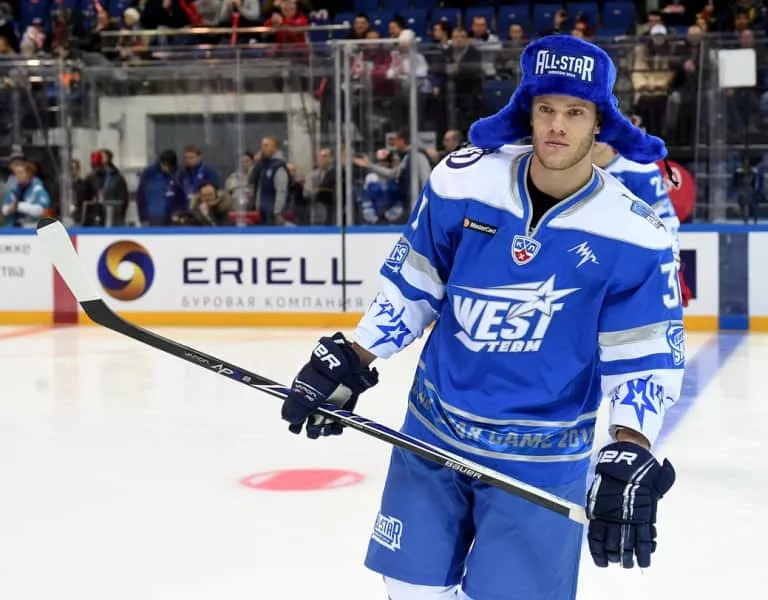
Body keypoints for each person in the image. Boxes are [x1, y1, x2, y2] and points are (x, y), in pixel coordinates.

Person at [281, 35, 684, 600]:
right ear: (527, 112)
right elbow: (415, 282)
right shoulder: (463, 181)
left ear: (599, 122)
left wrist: (631, 444)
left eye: (575, 112)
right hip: (434, 432)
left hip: (542, 456)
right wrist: (354, 355)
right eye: (546, 108)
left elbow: (643, 355)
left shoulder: (635, 232)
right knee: (410, 591)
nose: (557, 125)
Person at [592, 141, 692, 306]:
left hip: (632, 268)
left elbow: (664, 221)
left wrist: (670, 261)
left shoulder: (640, 170)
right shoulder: (568, 171)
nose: (594, 138)